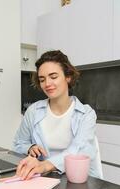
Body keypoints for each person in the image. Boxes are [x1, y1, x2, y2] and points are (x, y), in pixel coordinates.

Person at [13, 50, 102, 180]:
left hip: (79, 181)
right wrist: (29, 147)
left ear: (68, 77)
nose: (47, 84)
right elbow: (18, 143)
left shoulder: (86, 114)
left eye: (53, 77)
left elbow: (78, 150)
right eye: (42, 79)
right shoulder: (33, 111)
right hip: (44, 179)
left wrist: (44, 165)